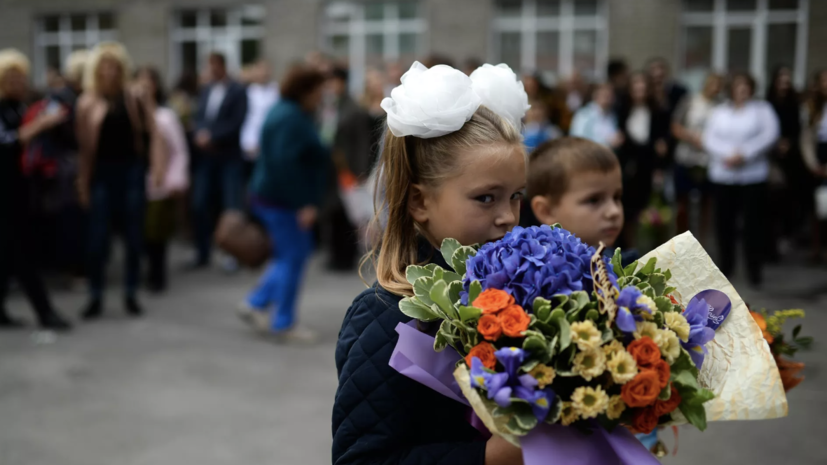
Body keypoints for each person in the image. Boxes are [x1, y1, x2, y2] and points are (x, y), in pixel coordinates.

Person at [333, 62, 527, 465]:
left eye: (516, 196)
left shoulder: (521, 289)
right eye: (487, 198)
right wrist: (487, 456)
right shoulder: (387, 317)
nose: (508, 216)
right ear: (420, 202)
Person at [238, 64, 330, 340]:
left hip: (274, 197)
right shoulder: (290, 117)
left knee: (289, 255)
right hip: (282, 201)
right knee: (293, 256)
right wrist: (303, 203)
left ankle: (255, 302)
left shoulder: (286, 111)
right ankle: (283, 322)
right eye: (318, 91)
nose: (321, 97)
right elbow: (285, 165)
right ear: (306, 90)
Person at [75, 42, 165, 319]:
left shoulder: (135, 96)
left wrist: (158, 167)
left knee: (133, 236)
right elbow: (83, 149)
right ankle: (96, 294)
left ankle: (130, 292)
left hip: (131, 171)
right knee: (98, 238)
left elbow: (154, 132)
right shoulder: (87, 102)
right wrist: (83, 183)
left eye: (115, 66)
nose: (110, 72)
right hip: (102, 172)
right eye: (105, 66)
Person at [0, 48, 72, 330]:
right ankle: (45, 312)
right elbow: (7, 143)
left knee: (7, 254)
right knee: (21, 253)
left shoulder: (20, 107)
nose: (19, 83)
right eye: (12, 78)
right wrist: (41, 124)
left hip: (20, 188)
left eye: (22, 78)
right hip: (4, 192)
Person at [703, 73, 779, 286]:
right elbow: (710, 138)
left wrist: (745, 153)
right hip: (724, 175)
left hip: (752, 176)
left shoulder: (762, 110)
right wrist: (728, 154)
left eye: (746, 86)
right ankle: (725, 267)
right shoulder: (720, 111)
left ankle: (754, 270)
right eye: (738, 86)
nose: (742, 90)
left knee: (753, 225)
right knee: (724, 224)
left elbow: (770, 134)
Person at [190, 52, 248, 268]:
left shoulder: (237, 90)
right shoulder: (206, 90)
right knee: (200, 203)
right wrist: (199, 134)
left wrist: (213, 137)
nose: (210, 70)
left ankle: (233, 254)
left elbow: (237, 121)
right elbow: (199, 117)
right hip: (206, 158)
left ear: (222, 66)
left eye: (213, 65)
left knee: (231, 206)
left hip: (228, 157)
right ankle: (202, 251)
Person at [135, 66, 190, 293]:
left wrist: (175, 180)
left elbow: (179, 150)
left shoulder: (165, 117)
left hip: (159, 183)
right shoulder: (129, 115)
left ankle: (157, 277)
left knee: (156, 232)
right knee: (141, 232)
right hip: (137, 180)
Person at [320, 66, 374, 271]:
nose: (330, 86)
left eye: (333, 81)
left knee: (348, 214)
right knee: (333, 212)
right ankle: (334, 255)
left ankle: (346, 258)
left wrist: (361, 171)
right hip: (331, 169)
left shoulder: (354, 109)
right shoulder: (329, 106)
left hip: (348, 169)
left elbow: (362, 142)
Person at [527, 137, 623, 249]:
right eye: (594, 200)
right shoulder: (533, 265)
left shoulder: (630, 263)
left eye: (616, 197)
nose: (614, 211)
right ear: (546, 211)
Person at [616, 72, 671, 249]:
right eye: (636, 87)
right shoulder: (622, 110)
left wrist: (659, 165)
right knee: (628, 211)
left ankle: (647, 249)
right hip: (628, 167)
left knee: (649, 211)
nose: (639, 91)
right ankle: (627, 249)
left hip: (649, 166)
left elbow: (663, 141)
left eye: (643, 87)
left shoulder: (657, 111)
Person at [671, 73, 722, 243]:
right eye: (712, 84)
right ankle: (682, 240)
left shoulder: (720, 106)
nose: (715, 88)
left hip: (709, 159)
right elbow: (675, 126)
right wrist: (692, 138)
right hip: (687, 156)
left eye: (718, 85)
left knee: (706, 203)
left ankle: (702, 240)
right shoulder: (690, 101)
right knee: (683, 202)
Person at [766, 66, 807, 260]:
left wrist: (788, 142)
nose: (784, 84)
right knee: (771, 203)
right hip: (771, 158)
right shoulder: (767, 103)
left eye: (787, 80)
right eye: (781, 80)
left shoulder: (795, 103)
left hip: (791, 159)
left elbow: (799, 129)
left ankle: (784, 238)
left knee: (788, 202)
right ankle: (769, 244)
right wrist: (776, 143)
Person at [801, 70, 827, 262]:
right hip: (817, 156)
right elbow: (807, 138)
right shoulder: (812, 107)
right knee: (815, 206)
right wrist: (813, 164)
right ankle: (816, 248)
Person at [240, 59, 279, 162]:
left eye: (266, 70)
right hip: (251, 143)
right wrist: (249, 142)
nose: (264, 73)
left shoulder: (276, 90)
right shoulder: (247, 92)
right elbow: (249, 120)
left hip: (273, 142)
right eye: (261, 70)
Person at [570, 83, 623, 149]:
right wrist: (607, 142)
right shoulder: (584, 115)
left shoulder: (613, 116)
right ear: (596, 95)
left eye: (610, 96)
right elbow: (578, 140)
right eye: (604, 95)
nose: (607, 99)